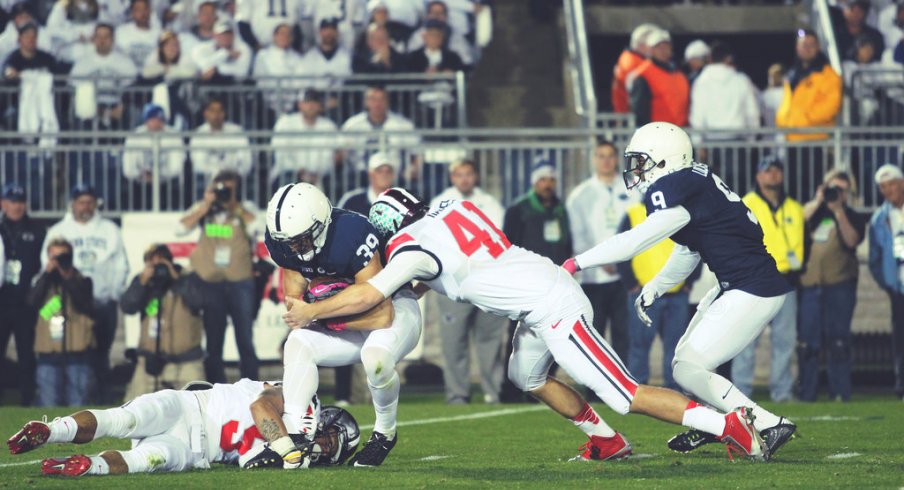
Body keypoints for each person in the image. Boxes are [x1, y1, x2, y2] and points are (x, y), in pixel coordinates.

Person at [283, 187, 769, 462]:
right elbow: (453, 266)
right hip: (537, 298)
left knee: (626, 394)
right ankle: (605, 439)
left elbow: (373, 293)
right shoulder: (453, 208)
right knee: (526, 377)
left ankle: (729, 423)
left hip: (554, 307)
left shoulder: (409, 249)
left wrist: (310, 310)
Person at [561, 122, 797, 458]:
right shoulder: (693, 183)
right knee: (684, 366)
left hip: (751, 288)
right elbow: (688, 250)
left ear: (664, 159)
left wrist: (577, 262)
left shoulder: (678, 184)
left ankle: (765, 423)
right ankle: (721, 424)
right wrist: (656, 286)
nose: (636, 170)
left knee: (688, 368)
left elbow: (636, 240)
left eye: (642, 161)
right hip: (740, 285)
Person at [265, 183, 423, 467]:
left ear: (321, 224)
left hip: (394, 306)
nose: (295, 248)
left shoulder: (350, 234)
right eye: (289, 243)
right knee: (298, 343)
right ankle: (296, 434)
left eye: (302, 240)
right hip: (344, 318)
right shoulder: (284, 242)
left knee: (375, 357)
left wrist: (320, 311)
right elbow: (296, 306)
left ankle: (385, 433)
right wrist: (318, 310)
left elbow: (380, 316)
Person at [6, 381, 359, 475]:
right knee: (123, 419)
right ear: (323, 419)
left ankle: (87, 468)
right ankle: (53, 431)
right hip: (187, 407)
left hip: (195, 453)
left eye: (332, 448)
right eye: (328, 438)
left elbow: (251, 461)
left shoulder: (297, 458)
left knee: (144, 462)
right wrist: (288, 448)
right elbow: (260, 406)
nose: (325, 447)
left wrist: (289, 457)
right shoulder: (300, 398)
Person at [42, 184, 129, 404]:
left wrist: (114, 293)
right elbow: (47, 264)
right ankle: (72, 400)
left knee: (102, 354)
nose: (85, 206)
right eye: (81, 201)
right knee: (75, 354)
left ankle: (101, 401)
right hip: (71, 306)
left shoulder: (109, 229)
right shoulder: (58, 230)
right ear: (72, 204)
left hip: (101, 301)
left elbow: (121, 265)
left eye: (90, 201)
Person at [430, 159, 507, 404]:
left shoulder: (490, 202)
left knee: (490, 340)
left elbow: (496, 238)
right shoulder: (439, 203)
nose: (464, 179)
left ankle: (493, 391)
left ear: (475, 176)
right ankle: (457, 393)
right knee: (454, 342)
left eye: (468, 174)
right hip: (453, 282)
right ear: (452, 177)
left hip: (487, 280)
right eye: (459, 174)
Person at [730, 157, 804, 403]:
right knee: (746, 340)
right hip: (755, 282)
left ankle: (781, 392)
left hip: (786, 280)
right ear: (758, 176)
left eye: (776, 170)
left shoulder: (794, 207)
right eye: (767, 170)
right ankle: (740, 393)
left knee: (785, 341)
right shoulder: (745, 204)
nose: (772, 175)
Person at [179, 170, 260, 383]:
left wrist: (235, 206)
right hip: (210, 283)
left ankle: (251, 388)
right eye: (220, 189)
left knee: (245, 339)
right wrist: (206, 206)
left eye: (229, 189)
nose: (224, 193)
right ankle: (216, 389)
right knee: (214, 341)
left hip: (240, 282)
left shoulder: (245, 209)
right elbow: (180, 228)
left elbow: (258, 227)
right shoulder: (204, 209)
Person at [798, 169, 867, 402]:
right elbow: (798, 223)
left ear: (848, 193)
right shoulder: (813, 212)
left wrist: (838, 211)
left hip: (840, 286)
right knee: (809, 343)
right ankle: (807, 394)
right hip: (809, 286)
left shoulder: (853, 215)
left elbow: (851, 240)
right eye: (832, 187)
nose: (836, 193)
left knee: (838, 341)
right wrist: (818, 201)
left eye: (841, 189)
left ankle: (840, 393)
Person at [566, 141, 634, 363]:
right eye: (600, 156)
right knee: (594, 335)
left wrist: (625, 262)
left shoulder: (633, 189)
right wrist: (597, 260)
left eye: (610, 156)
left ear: (617, 159)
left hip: (626, 276)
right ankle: (594, 390)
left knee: (624, 335)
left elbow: (641, 227)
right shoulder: (580, 195)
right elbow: (578, 235)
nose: (606, 161)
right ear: (593, 159)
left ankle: (625, 389)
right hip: (593, 278)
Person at [615, 201, 689, 390]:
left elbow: (695, 246)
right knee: (640, 346)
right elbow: (621, 247)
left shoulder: (681, 212)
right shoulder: (634, 213)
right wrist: (630, 283)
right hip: (644, 295)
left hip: (676, 294)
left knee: (675, 349)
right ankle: (636, 392)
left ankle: (675, 393)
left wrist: (688, 282)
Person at [119, 244, 205, 399]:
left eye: (162, 262)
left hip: (186, 360)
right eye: (152, 263)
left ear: (170, 261)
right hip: (150, 360)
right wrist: (142, 283)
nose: (158, 268)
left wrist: (176, 279)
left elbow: (198, 302)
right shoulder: (144, 282)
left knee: (199, 405)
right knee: (133, 409)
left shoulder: (187, 278)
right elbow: (128, 307)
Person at [29, 237, 95, 407]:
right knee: (49, 404)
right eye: (54, 257)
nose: (59, 262)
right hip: (48, 351)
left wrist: (68, 277)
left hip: (77, 351)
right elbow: (30, 304)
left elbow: (84, 305)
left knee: (77, 405)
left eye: (63, 257)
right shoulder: (42, 281)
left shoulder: (83, 281)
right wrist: (46, 275)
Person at [0, 183, 46, 406]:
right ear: (3, 204)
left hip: (25, 301)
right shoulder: (1, 228)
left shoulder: (37, 230)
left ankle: (28, 399)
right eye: (11, 202)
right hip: (1, 300)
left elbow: (41, 265)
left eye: (19, 202)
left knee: (26, 353)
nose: (16, 206)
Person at [868, 164, 904, 400]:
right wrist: (888, 284)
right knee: (900, 338)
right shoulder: (879, 218)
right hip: (898, 287)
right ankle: (901, 384)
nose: (887, 190)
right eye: (883, 187)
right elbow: (874, 260)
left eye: (891, 184)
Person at [775, 29, 842, 141]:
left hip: (815, 138)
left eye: (811, 45)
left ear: (818, 47)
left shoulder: (828, 75)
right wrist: (783, 120)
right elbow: (786, 103)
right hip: (791, 137)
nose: (807, 49)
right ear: (797, 47)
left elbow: (831, 105)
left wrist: (806, 118)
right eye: (803, 45)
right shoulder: (791, 75)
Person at [340, 85, 420, 179]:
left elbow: (417, 153)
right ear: (366, 102)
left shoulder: (404, 125)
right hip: (360, 177)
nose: (377, 103)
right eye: (373, 99)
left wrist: (413, 170)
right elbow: (340, 152)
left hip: (394, 176)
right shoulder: (352, 125)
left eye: (382, 99)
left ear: (388, 102)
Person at [69, 24, 138, 130]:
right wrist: (100, 111)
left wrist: (121, 107)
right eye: (99, 37)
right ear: (94, 39)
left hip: (117, 106)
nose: (102, 41)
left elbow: (132, 89)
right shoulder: (82, 63)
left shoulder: (125, 62)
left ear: (112, 39)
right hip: (92, 107)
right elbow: (73, 88)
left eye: (106, 37)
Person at [503, 160, 572, 266]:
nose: (547, 185)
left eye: (552, 180)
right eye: (543, 180)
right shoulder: (518, 209)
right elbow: (508, 244)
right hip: (528, 271)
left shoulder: (560, 210)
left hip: (556, 271)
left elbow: (567, 241)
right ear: (534, 182)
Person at [271, 89, 340, 187]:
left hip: (318, 177)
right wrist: (300, 173)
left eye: (314, 102)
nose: (311, 106)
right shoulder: (285, 123)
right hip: (289, 175)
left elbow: (330, 158)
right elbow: (281, 156)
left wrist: (316, 174)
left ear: (320, 106)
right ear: (300, 104)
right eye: (307, 102)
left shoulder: (329, 126)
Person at [189, 98, 253, 196]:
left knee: (245, 183)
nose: (216, 115)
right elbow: (198, 164)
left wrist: (232, 174)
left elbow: (246, 161)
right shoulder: (199, 134)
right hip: (209, 179)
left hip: (233, 178)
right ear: (205, 113)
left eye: (219, 111)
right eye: (212, 111)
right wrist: (217, 174)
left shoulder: (236, 131)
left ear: (224, 113)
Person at [628, 28, 689, 127]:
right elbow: (640, 111)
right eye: (659, 47)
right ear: (651, 50)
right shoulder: (643, 75)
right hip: (657, 133)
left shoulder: (679, 74)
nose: (663, 50)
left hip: (679, 131)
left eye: (666, 46)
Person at [122, 103, 187, 184]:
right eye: (153, 119)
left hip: (167, 183)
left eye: (160, 119)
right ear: (146, 120)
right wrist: (140, 174)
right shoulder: (135, 136)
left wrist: (157, 175)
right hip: (139, 184)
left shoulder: (173, 136)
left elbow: (176, 167)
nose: (158, 122)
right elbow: (128, 168)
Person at [611, 23, 658, 113]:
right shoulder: (632, 63)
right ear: (641, 45)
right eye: (654, 46)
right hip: (630, 115)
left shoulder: (632, 58)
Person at [296, 18, 353, 90]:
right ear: (319, 32)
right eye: (325, 30)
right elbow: (302, 84)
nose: (328, 33)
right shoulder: (309, 58)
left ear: (337, 33)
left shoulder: (347, 57)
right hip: (315, 99)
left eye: (332, 29)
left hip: (340, 99)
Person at [192, 20, 252, 84]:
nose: (225, 38)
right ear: (214, 35)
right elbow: (204, 67)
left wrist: (216, 70)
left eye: (228, 34)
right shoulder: (203, 48)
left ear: (233, 35)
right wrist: (225, 54)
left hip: (235, 86)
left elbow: (241, 73)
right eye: (222, 35)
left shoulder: (243, 48)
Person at [114, 0, 162, 69]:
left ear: (150, 11)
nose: (143, 13)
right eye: (138, 9)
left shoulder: (160, 34)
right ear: (132, 13)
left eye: (145, 9)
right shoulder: (120, 32)